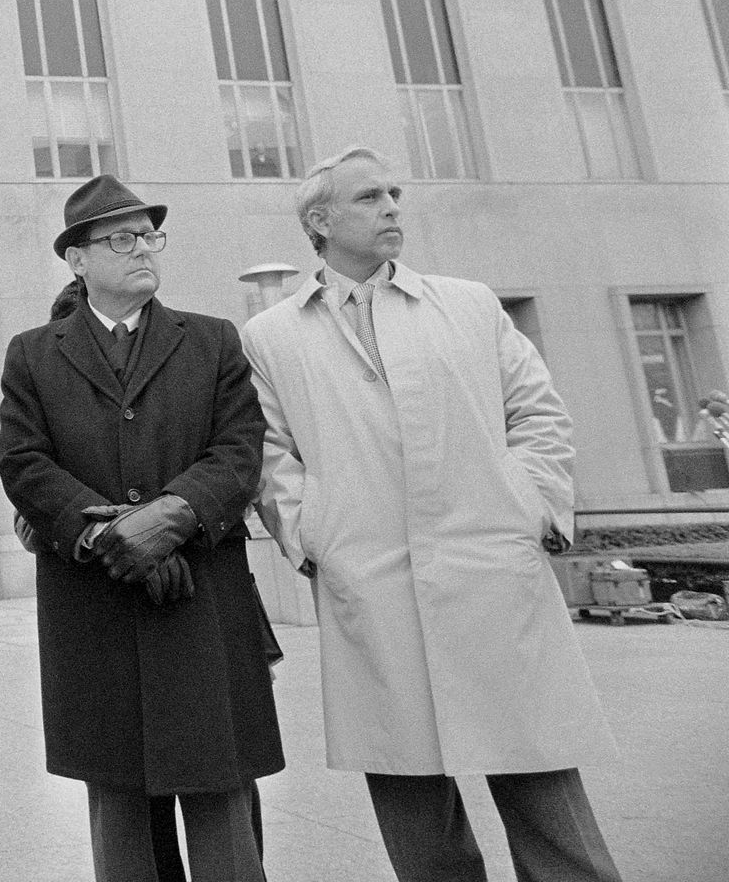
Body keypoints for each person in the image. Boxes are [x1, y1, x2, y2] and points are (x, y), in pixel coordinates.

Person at [241, 147, 623, 882]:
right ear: (318, 221)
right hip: (370, 581)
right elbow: (268, 454)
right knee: (414, 808)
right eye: (369, 197)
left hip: (491, 572)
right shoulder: (273, 335)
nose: (391, 207)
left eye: (394, 193)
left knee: (544, 788)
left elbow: (539, 414)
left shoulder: (470, 303)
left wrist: (533, 511)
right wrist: (315, 537)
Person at [0, 175, 282, 882]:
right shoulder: (33, 353)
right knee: (118, 799)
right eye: (121, 239)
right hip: (95, 602)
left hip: (202, 598)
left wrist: (171, 516)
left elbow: (239, 449)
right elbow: (25, 463)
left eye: (150, 235)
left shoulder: (212, 341)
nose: (142, 250)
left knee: (219, 787)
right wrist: (106, 537)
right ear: (78, 260)